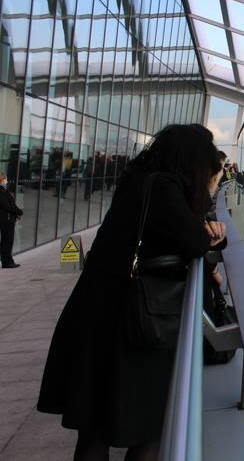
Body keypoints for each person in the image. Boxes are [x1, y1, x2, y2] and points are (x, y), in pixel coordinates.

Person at [37, 124, 225, 461]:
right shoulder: (165, 188)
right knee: (148, 430)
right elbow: (195, 241)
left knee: (93, 428)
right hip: (131, 321)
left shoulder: (139, 180)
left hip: (97, 309)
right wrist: (211, 199)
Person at [0, 172, 22, 268]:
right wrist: (19, 212)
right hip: (5, 220)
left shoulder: (5, 190)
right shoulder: (1, 192)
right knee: (7, 241)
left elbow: (11, 204)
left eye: (5, 179)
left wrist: (17, 212)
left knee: (7, 241)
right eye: (4, 179)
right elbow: (6, 206)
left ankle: (8, 260)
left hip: (8, 219)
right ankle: (7, 262)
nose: (6, 181)